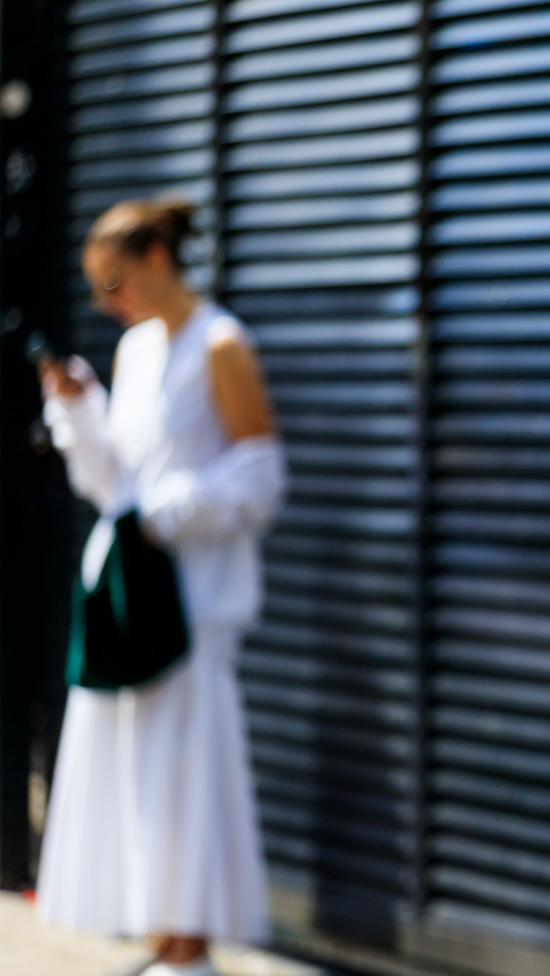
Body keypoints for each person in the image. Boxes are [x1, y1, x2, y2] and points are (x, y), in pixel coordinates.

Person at [32, 200, 286, 976]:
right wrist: (80, 413)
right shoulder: (138, 350)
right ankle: (163, 934)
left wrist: (168, 513)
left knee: (187, 767)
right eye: (95, 289)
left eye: (112, 279)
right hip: (128, 596)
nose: (107, 301)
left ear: (155, 259)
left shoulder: (221, 344)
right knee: (136, 767)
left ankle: (191, 945)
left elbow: (261, 476)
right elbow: (118, 481)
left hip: (194, 599)